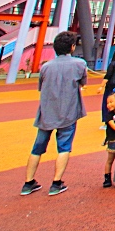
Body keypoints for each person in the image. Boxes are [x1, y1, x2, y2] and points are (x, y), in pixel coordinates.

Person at [22, 30, 87, 196]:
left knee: (37, 148)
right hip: (68, 111)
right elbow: (82, 83)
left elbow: (40, 87)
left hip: (46, 113)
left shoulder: (46, 67)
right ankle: (56, 182)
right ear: (72, 47)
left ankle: (28, 182)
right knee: (64, 147)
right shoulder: (79, 64)